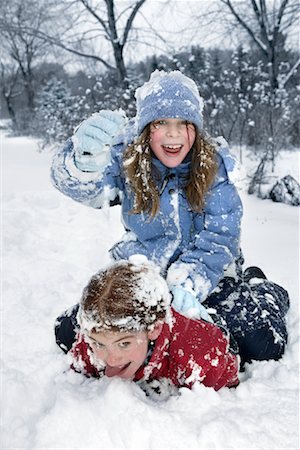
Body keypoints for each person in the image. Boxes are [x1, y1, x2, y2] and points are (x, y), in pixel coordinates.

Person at [51, 70, 289, 365]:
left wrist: (188, 283)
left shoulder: (214, 168)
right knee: (68, 332)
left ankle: (261, 288)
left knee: (263, 345)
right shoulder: (127, 160)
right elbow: (87, 190)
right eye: (161, 122)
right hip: (145, 274)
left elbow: (221, 235)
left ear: (196, 128)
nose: (173, 133)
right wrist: (81, 163)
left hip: (209, 275)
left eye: (183, 123)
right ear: (146, 128)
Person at [61, 256, 239, 392]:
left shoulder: (197, 356)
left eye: (124, 343)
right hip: (153, 312)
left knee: (257, 338)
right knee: (62, 330)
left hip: (207, 321)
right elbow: (80, 362)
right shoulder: (91, 343)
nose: (111, 359)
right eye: (99, 343)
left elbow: (227, 376)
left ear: (154, 329)